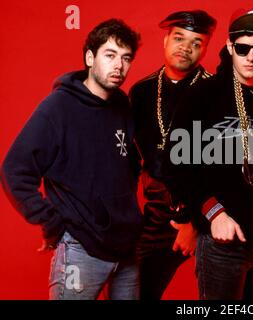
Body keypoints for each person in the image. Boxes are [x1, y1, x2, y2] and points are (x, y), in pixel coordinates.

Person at [166, 8, 253, 300]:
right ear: (230, 47)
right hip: (222, 246)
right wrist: (213, 213)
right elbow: (178, 165)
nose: (251, 57)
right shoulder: (203, 95)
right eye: (242, 48)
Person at [1, 19, 143, 300]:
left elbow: (128, 168)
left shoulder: (122, 106)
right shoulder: (58, 107)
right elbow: (14, 170)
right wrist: (50, 221)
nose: (119, 66)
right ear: (90, 57)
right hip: (81, 249)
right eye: (110, 55)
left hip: (128, 248)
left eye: (126, 58)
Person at [128, 10, 216, 300]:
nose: (185, 47)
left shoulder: (217, 92)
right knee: (134, 292)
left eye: (196, 42)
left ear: (205, 49)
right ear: (165, 40)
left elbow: (223, 166)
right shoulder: (141, 92)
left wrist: (192, 222)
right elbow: (131, 161)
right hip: (157, 216)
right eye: (179, 38)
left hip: (207, 214)